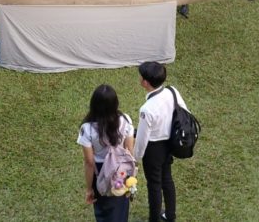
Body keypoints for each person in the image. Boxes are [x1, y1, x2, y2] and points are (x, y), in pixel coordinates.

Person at [134, 62, 188, 222]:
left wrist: (135, 159)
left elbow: (142, 139)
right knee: (167, 179)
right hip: (169, 143)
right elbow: (185, 113)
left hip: (153, 149)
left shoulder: (147, 109)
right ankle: (170, 215)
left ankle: (154, 219)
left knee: (154, 185)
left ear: (145, 82)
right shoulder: (172, 91)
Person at [77, 84, 134, 222]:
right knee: (120, 208)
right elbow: (129, 151)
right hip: (121, 171)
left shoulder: (87, 128)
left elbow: (89, 162)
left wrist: (89, 189)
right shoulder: (125, 120)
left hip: (100, 172)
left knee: (103, 212)